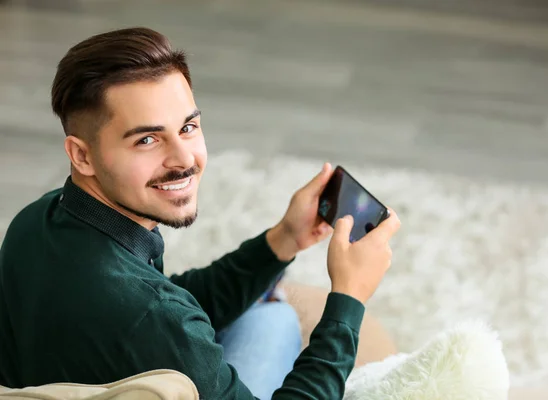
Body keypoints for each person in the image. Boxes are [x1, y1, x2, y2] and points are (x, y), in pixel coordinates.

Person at [0, 27, 401, 399]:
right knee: (276, 318)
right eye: (147, 139)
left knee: (264, 307)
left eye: (188, 128)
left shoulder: (36, 220)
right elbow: (159, 313)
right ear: (81, 155)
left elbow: (169, 302)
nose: (183, 159)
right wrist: (348, 298)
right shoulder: (154, 318)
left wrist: (283, 239)